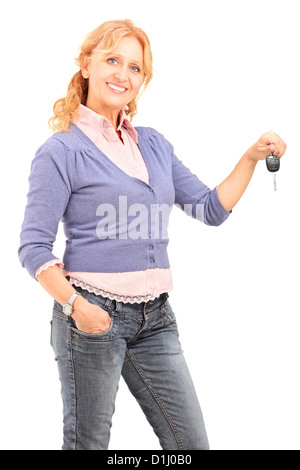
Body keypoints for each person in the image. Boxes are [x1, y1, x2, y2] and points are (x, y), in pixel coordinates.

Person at [18, 19, 287, 451]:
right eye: (112, 60)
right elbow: (33, 248)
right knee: (88, 444)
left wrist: (251, 157)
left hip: (156, 320)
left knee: (190, 445)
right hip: (91, 316)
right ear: (86, 65)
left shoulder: (155, 144)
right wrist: (78, 308)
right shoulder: (61, 151)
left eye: (135, 68)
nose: (123, 75)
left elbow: (210, 208)